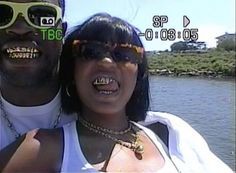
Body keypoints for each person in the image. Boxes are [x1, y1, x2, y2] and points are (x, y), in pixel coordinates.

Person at [0, 13, 233, 173]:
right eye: (90, 51)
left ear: (138, 74)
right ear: (72, 71)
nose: (107, 62)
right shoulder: (42, 147)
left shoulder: (170, 131)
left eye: (124, 54)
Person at [0, 0, 76, 150]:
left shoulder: (101, 112)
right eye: (2, 13)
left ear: (61, 32)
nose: (20, 28)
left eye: (41, 15)